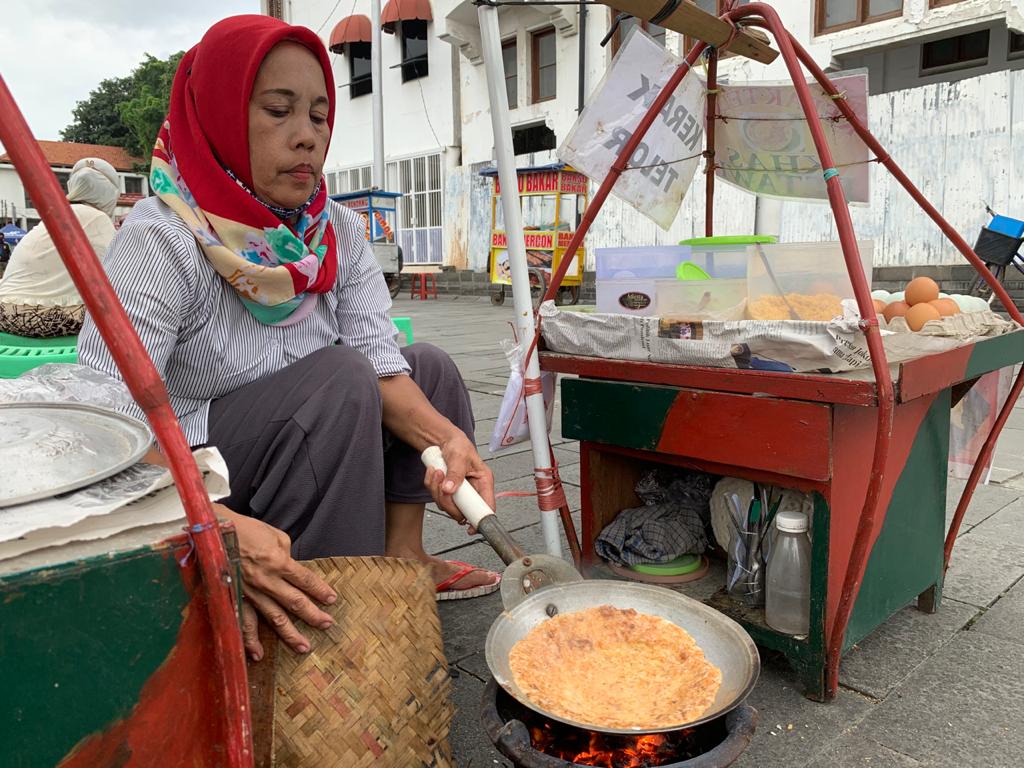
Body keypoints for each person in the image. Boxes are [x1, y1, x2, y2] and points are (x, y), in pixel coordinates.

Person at [78, 15, 501, 662]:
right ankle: (332, 611)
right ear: (220, 114)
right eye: (279, 110)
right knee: (337, 383)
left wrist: (447, 440)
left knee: (429, 371)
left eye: (320, 116)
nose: (306, 136)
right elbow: (103, 424)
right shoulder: (162, 236)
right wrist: (211, 525)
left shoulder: (330, 229)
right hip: (206, 469)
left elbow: (382, 361)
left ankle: (402, 560)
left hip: (317, 429)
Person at [0, 158, 119, 337]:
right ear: (109, 193)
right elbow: (118, 274)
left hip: (4, 311)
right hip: (43, 318)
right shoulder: (98, 219)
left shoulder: (54, 215)